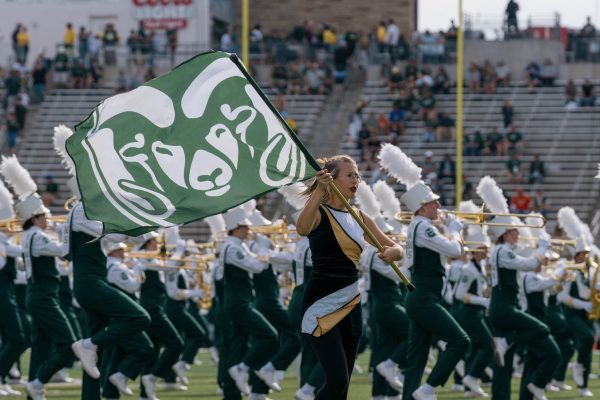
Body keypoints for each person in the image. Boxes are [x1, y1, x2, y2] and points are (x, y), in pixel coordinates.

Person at [296, 156, 403, 400]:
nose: (356, 180)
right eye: (350, 175)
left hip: (351, 304)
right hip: (320, 304)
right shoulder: (320, 212)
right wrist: (319, 190)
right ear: (333, 179)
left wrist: (393, 252)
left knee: (343, 388)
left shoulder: (361, 217)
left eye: (357, 175)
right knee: (336, 381)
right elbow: (302, 228)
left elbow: (396, 247)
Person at [400, 182, 470, 400]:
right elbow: (455, 250)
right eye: (433, 202)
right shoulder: (422, 227)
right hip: (424, 297)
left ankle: (413, 394)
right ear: (422, 208)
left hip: (421, 296)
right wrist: (454, 229)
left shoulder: (418, 226)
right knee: (461, 341)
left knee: (416, 363)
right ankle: (429, 389)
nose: (438, 205)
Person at [487, 216, 560, 400]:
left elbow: (525, 256)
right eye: (514, 230)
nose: (518, 233)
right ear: (504, 234)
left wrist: (540, 248)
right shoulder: (502, 250)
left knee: (503, 367)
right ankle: (507, 340)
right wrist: (542, 247)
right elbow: (529, 264)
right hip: (504, 308)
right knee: (541, 328)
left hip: (501, 307)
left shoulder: (502, 250)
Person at [454, 228, 493, 397]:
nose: (486, 251)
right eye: (483, 249)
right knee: (488, 345)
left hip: (476, 312)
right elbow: (459, 294)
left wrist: (485, 293)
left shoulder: (481, 266)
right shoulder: (468, 269)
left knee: (476, 348)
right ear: (476, 251)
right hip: (469, 313)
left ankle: (469, 388)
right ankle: (471, 378)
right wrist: (482, 300)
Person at [558, 238, 596, 397]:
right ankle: (577, 366)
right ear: (577, 255)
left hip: (588, 314)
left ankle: (583, 386)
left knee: (587, 349)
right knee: (587, 337)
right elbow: (561, 296)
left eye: (587, 254)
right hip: (571, 314)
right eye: (582, 254)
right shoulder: (570, 271)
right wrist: (582, 304)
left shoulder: (592, 271)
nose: (585, 257)